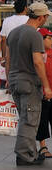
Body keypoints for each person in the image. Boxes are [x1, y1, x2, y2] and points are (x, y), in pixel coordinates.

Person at [6, 1, 52, 167]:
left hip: (14, 79)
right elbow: (38, 62)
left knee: (25, 117)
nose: (46, 19)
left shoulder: (13, 33)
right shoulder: (34, 35)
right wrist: (46, 86)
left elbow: (8, 59)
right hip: (29, 82)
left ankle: (30, 152)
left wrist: (8, 79)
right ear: (41, 17)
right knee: (30, 119)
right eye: (46, 17)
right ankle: (25, 155)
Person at [1, 0, 29, 78]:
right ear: (25, 8)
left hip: (10, 54)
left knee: (11, 78)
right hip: (25, 54)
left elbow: (3, 39)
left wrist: (3, 57)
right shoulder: (29, 20)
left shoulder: (7, 20)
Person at [36, 28, 52, 161]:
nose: (51, 40)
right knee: (42, 120)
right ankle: (42, 146)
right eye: (48, 38)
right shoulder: (37, 54)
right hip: (41, 92)